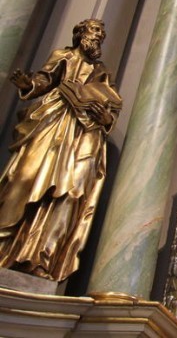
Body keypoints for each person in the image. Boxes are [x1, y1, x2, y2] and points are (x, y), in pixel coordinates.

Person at [0, 19, 121, 281]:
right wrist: (28, 85)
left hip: (84, 135)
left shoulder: (102, 72)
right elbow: (43, 80)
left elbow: (111, 105)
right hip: (52, 123)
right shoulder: (63, 56)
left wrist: (105, 119)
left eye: (102, 32)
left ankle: (42, 258)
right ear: (80, 34)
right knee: (25, 179)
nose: (99, 36)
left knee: (70, 194)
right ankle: (5, 245)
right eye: (95, 31)